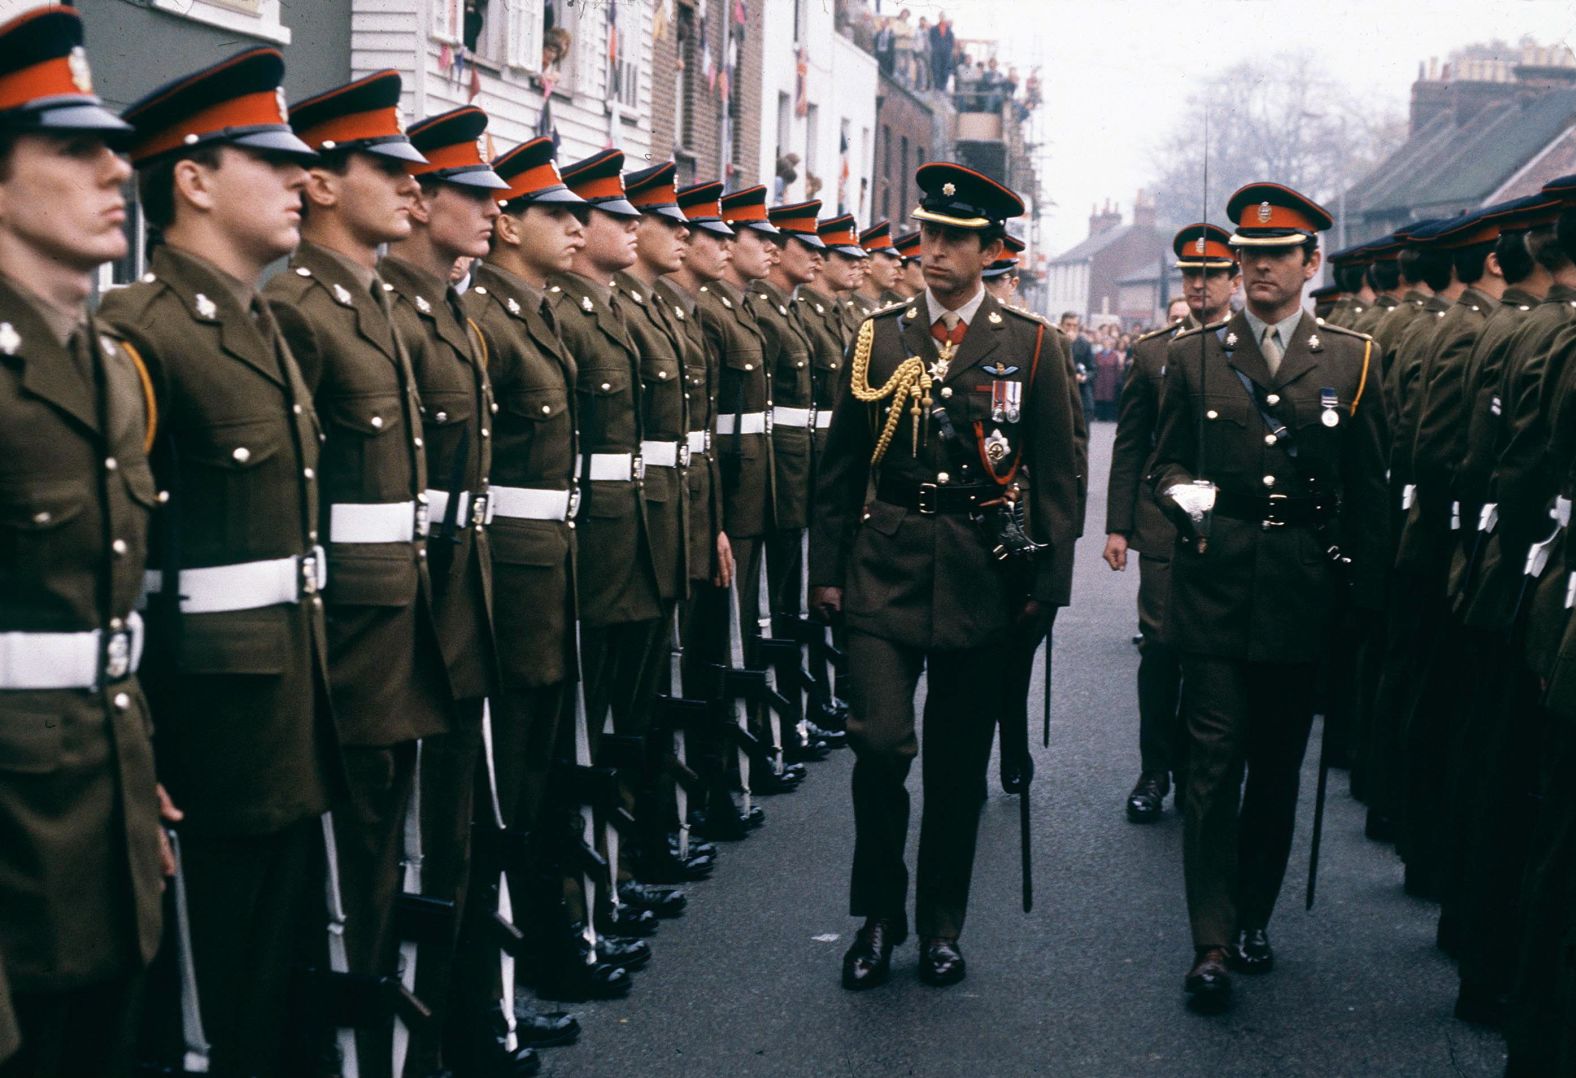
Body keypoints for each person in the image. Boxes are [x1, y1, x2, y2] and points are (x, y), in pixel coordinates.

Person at [809, 163, 1079, 991]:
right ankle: (877, 915)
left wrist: (1047, 585)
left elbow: (1060, 476)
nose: (934, 250)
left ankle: (940, 926)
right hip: (884, 564)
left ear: (991, 250)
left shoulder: (1032, 344)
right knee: (881, 746)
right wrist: (827, 573)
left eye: (955, 238)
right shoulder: (878, 337)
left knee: (957, 766)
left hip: (980, 572)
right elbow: (839, 465)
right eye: (928, 233)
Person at [1149, 182, 1387, 1012]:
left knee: (1277, 769)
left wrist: (1361, 595)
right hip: (1214, 585)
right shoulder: (1197, 355)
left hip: (1300, 590)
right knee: (1211, 765)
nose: (1256, 269)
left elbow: (1368, 488)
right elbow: (1164, 466)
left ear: (1310, 262)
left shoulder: (1353, 358)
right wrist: (1194, 506)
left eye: (1275, 256)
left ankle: (1254, 913)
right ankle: (1210, 939)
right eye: (1247, 255)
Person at [259, 72, 454, 1078]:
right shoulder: (301, 308)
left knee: (383, 868)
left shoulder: (371, 304)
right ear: (324, 184)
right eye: (387, 169)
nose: (411, 188)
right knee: (345, 885)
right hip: (342, 639)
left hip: (394, 627)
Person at [0, 8, 166, 1075]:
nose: (118, 169)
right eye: (74, 147)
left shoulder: (104, 363)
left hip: (96, 807)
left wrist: (130, 778)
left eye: (114, 144)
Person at [461, 135, 629, 1009]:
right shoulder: (488, 320)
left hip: (554, 567)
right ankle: (520, 960)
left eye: (576, 212)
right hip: (512, 582)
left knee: (542, 775)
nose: (574, 226)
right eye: (554, 213)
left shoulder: (527, 312)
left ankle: (546, 939)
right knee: (512, 786)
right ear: (507, 225)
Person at [1105, 225, 1238, 825]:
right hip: (1164, 526)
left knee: (1214, 655)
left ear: (1233, 279)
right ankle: (1154, 769)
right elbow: (1131, 445)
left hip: (1234, 526)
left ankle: (1201, 770)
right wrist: (1118, 527)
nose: (1199, 285)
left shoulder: (1252, 349)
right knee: (1160, 651)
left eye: (1211, 274)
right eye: (1190, 275)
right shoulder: (1155, 351)